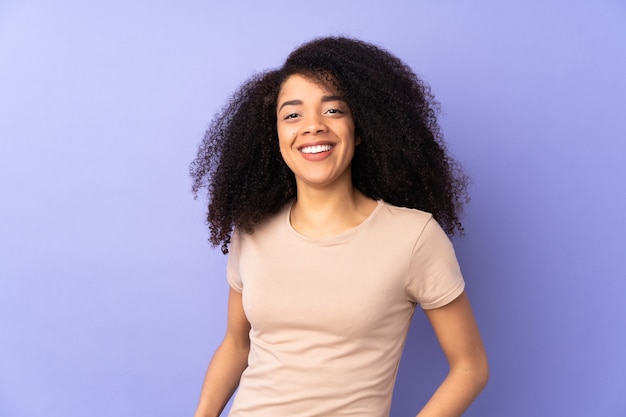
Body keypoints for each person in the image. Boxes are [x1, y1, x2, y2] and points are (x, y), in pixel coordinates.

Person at [190, 36, 488, 417]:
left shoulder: (413, 237)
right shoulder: (251, 231)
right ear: (275, 137)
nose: (313, 126)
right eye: (292, 115)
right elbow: (235, 345)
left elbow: (470, 367)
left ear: (361, 128)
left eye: (333, 111)